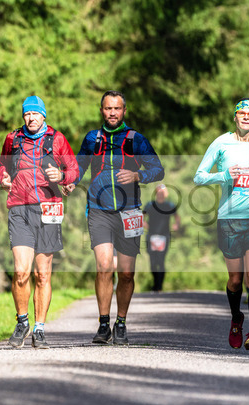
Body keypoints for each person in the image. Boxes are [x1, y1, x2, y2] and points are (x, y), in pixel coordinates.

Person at [62, 90, 164, 345]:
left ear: (124, 111)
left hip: (130, 211)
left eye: (117, 108)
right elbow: (79, 166)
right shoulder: (92, 139)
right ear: (102, 111)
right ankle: (103, 323)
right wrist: (70, 181)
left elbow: (157, 169)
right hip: (99, 210)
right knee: (104, 266)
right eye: (108, 108)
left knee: (126, 273)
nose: (112, 113)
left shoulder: (136, 139)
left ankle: (121, 322)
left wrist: (138, 175)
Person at [193, 97, 249, 351]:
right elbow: (198, 176)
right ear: (235, 117)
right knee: (235, 279)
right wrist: (224, 175)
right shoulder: (221, 143)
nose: (246, 117)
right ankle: (236, 318)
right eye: (242, 113)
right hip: (230, 218)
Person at [0, 95, 79, 349]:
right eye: (27, 114)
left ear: (43, 115)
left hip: (48, 207)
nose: (31, 118)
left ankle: (40, 329)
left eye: (35, 113)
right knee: (21, 271)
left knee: (42, 274)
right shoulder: (13, 139)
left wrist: (62, 175)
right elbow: (3, 165)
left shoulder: (57, 139)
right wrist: (4, 178)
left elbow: (74, 170)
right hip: (19, 207)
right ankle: (22, 321)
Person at [143, 184, 180, 292]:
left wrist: (176, 225)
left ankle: (159, 287)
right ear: (156, 193)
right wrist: (144, 224)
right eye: (158, 193)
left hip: (164, 236)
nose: (160, 195)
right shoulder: (150, 205)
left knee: (160, 260)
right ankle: (156, 284)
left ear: (165, 194)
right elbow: (142, 216)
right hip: (151, 236)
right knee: (153, 262)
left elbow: (177, 217)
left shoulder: (169, 205)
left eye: (162, 193)